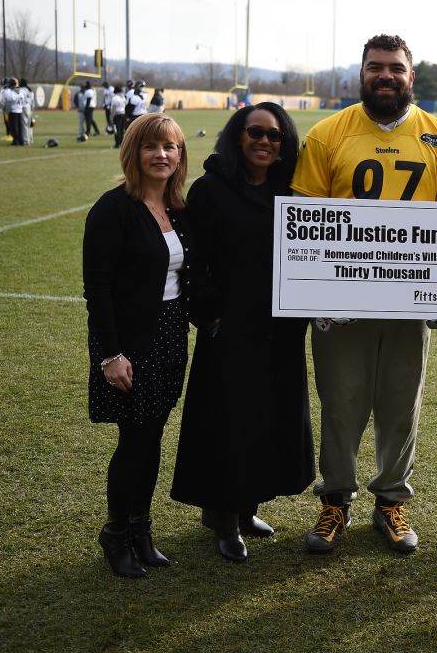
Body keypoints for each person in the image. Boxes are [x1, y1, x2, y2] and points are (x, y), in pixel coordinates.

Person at [291, 33, 437, 555]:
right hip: (341, 301)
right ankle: (336, 500)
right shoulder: (329, 134)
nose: (385, 76)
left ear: (410, 76)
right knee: (341, 402)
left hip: (410, 300)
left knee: (401, 404)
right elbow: (306, 219)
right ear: (362, 72)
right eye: (376, 67)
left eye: (395, 68)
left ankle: (392, 500)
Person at [169, 102, 314, 563]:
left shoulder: (290, 192)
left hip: (281, 330)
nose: (265, 142)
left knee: (268, 420)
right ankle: (224, 518)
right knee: (227, 423)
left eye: (275, 136)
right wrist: (210, 314)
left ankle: (248, 507)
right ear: (237, 136)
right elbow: (194, 260)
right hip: (230, 328)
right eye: (256, 132)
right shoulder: (211, 190)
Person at [82, 114, 193, 578]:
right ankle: (116, 533)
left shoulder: (178, 207)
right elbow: (98, 287)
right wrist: (111, 354)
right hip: (130, 341)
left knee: (153, 438)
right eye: (151, 147)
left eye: (170, 147)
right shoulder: (114, 207)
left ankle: (142, 530)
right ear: (134, 153)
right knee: (135, 440)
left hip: (171, 333)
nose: (161, 155)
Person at [1, 78, 24, 146]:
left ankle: (16, 141)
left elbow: (10, 98)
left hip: (13, 110)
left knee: (14, 127)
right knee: (19, 127)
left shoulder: (9, 91)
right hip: (19, 110)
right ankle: (21, 140)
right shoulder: (20, 90)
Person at [110, 84, 128, 149]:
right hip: (123, 114)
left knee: (117, 130)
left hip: (117, 115)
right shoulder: (123, 97)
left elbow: (114, 109)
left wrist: (111, 117)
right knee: (121, 130)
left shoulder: (115, 98)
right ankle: (122, 143)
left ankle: (117, 144)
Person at [18, 77, 35, 145]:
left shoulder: (21, 90)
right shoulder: (29, 90)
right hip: (29, 108)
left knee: (24, 125)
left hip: (23, 107)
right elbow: (32, 101)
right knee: (29, 125)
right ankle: (30, 139)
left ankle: (25, 140)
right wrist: (32, 109)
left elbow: (20, 98)